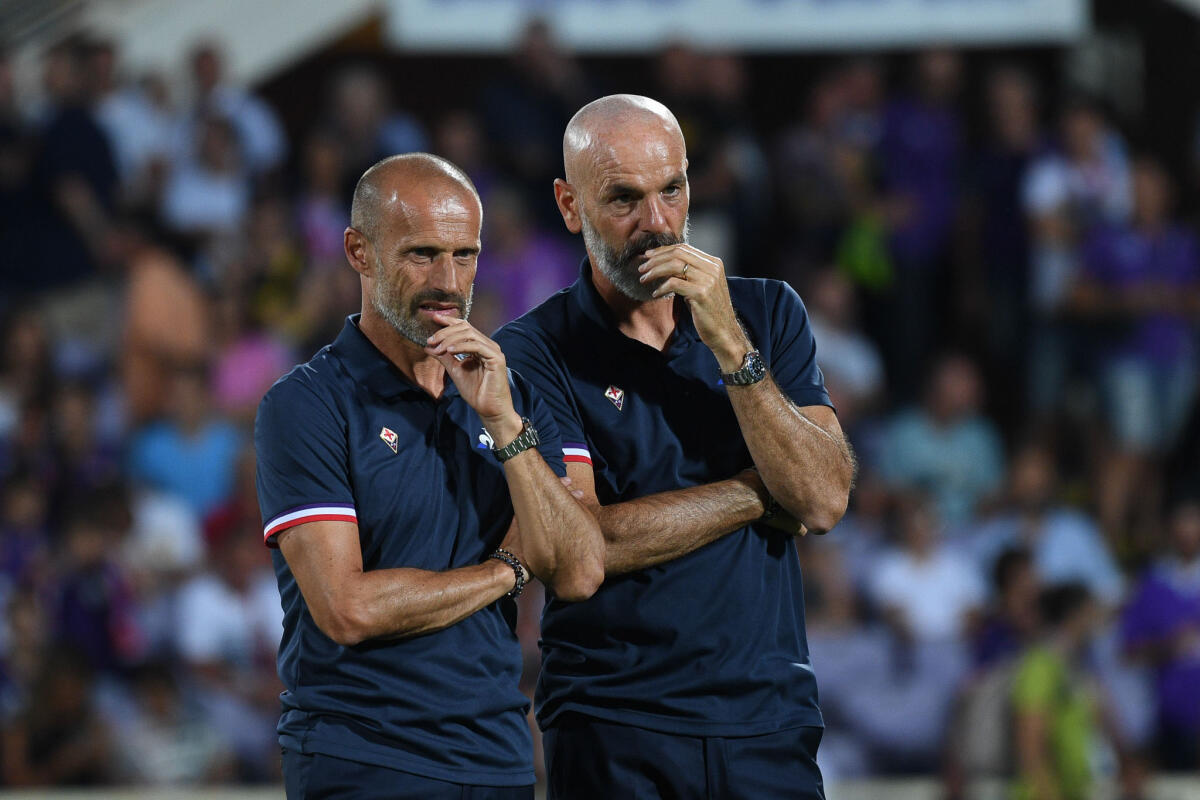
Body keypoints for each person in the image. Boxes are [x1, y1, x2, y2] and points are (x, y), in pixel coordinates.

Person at [494, 94, 855, 799]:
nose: (656, 225)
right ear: (570, 206)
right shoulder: (533, 351)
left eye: (672, 191)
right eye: (624, 199)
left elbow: (822, 496)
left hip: (766, 721)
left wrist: (728, 343)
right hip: (612, 726)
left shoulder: (766, 313)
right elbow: (580, 550)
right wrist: (756, 493)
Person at [254, 153, 604, 799]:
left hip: (498, 758)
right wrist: (506, 571)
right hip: (363, 760)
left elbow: (580, 568)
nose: (448, 281)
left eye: (464, 255)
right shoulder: (305, 404)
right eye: (422, 254)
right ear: (359, 251)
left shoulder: (515, 395)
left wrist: (503, 423)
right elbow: (348, 608)